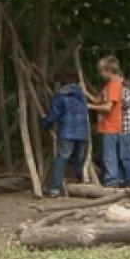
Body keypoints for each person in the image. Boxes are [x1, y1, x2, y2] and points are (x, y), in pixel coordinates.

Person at [41, 69, 89, 197]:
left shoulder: (61, 96)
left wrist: (45, 122)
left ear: (60, 82)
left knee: (62, 158)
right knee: (78, 159)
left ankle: (54, 188)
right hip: (82, 132)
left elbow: (54, 114)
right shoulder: (82, 95)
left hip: (67, 132)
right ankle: (80, 182)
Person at [85, 56, 124, 187]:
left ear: (108, 70)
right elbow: (97, 100)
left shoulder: (114, 85)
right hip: (106, 126)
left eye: (101, 71)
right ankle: (112, 180)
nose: (100, 74)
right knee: (108, 155)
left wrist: (89, 107)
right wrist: (85, 92)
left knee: (109, 156)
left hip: (111, 126)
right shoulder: (108, 86)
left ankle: (111, 182)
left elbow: (107, 107)